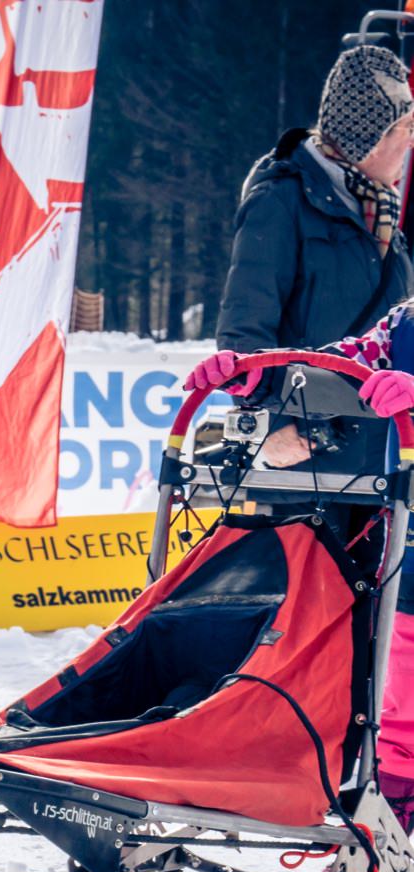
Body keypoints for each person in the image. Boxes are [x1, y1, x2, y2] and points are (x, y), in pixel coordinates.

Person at [190, 43, 414, 826]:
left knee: (360, 629)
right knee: (291, 619)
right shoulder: (286, 198)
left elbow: (387, 332)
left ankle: (339, 780)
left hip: (375, 460)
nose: (409, 148)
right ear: (374, 134)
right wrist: (272, 415)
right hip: (301, 455)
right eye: (404, 131)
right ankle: (258, 768)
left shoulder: (380, 210)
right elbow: (248, 326)